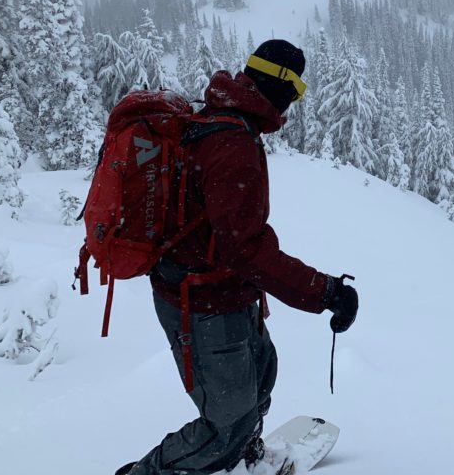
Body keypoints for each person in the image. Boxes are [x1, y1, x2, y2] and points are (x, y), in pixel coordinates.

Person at [119, 39, 359, 475]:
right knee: (225, 424)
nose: (296, 102)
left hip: (225, 291)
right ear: (280, 84)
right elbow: (243, 248)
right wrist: (324, 291)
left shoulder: (225, 120)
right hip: (201, 301)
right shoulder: (231, 142)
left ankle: (243, 459)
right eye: (297, 90)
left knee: (261, 378)